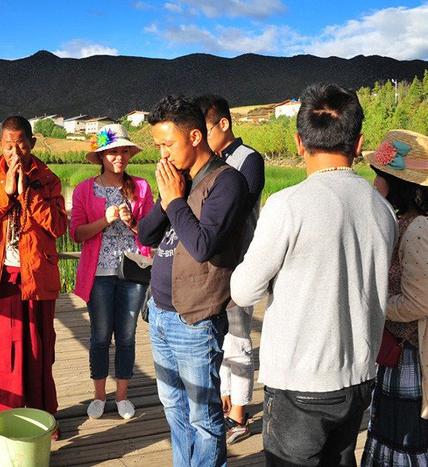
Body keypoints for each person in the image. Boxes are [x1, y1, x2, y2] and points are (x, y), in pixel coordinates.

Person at [230, 82, 397, 466]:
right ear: (358, 144)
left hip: (300, 382)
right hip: (358, 378)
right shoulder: (381, 209)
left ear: (298, 142)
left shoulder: (288, 205)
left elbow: (244, 289)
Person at [138, 96, 248, 466]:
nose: (163, 154)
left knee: (203, 416)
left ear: (196, 136)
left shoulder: (227, 182)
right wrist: (168, 195)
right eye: (158, 147)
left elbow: (202, 246)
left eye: (168, 144)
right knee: (173, 408)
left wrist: (174, 201)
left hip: (195, 318)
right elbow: (146, 234)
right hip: (160, 311)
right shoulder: (178, 179)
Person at [0, 115, 67, 438]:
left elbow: (58, 226)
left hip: (35, 276)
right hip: (0, 279)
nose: (15, 153)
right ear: (0, 145)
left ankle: (42, 420)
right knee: (1, 353)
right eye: (9, 146)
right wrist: (5, 195)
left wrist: (27, 196)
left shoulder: (48, 180)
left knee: (38, 349)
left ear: (32, 144)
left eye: (21, 144)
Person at [70, 123, 154, 420]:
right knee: (100, 336)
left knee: (128, 336)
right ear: (102, 156)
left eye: (124, 151)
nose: (119, 157)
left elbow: (151, 234)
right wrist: (104, 221)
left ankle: (121, 397)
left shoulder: (142, 187)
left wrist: (132, 223)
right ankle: (98, 396)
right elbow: (76, 234)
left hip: (133, 273)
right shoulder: (83, 190)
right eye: (113, 151)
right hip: (99, 275)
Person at [195, 94, 265, 444]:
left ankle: (239, 415)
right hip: (213, 263)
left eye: (205, 129)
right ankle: (226, 400)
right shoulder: (210, 160)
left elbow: (236, 210)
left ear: (223, 124)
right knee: (218, 336)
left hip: (240, 262)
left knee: (238, 337)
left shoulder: (249, 159)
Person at [361, 129, 428, 465]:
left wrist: (374, 305)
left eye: (380, 177)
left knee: (403, 440)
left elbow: (418, 302)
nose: (375, 186)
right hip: (401, 354)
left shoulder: (415, 228)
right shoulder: (405, 221)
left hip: (410, 357)